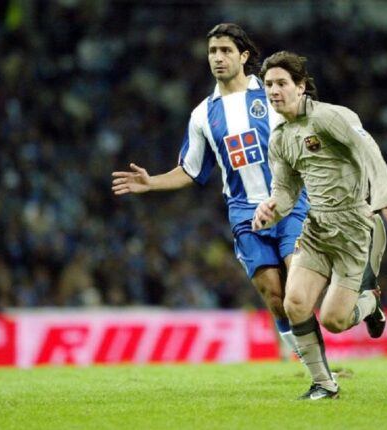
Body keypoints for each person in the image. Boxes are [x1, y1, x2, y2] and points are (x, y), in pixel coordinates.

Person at [112, 23, 310, 359]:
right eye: (212, 51)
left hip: (289, 204)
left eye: (226, 51)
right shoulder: (203, 114)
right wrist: (152, 182)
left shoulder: (272, 93)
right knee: (275, 297)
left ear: (243, 56)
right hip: (246, 213)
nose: (218, 57)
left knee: (298, 290)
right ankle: (314, 368)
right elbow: (191, 170)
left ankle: (337, 337)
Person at [253, 51, 387, 400]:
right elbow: (286, 193)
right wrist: (270, 211)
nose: (274, 91)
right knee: (294, 303)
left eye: (281, 83)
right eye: (268, 85)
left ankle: (369, 304)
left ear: (300, 86)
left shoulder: (330, 117)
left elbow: (368, 148)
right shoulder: (280, 138)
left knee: (335, 321)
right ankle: (323, 384)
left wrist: (384, 193)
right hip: (316, 229)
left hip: (354, 228)